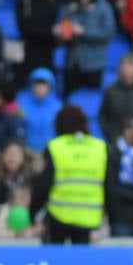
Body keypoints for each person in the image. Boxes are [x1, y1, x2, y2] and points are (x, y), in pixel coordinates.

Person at [31, 104, 106, 244]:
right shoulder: (100, 147)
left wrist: (33, 212)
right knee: (81, 263)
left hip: (57, 217)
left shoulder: (55, 146)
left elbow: (43, 184)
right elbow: (109, 185)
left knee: (54, 263)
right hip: (89, 218)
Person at [54, 0, 116, 97]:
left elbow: (108, 33)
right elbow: (64, 37)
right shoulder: (68, 8)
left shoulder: (103, 7)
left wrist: (84, 31)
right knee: (69, 100)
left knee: (92, 100)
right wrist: (60, 33)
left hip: (93, 64)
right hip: (71, 63)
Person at [0, 138, 40, 237]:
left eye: (16, 154)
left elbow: (40, 203)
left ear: (23, 157)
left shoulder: (33, 178)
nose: (12, 157)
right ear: (2, 157)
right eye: (9, 153)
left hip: (27, 230)